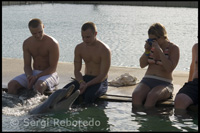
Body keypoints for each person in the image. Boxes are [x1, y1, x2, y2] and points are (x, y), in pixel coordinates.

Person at [132, 23, 180, 108]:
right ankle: (138, 119)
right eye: (150, 40)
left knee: (152, 96)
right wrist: (147, 50)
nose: (152, 42)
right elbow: (142, 65)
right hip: (147, 80)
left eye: (154, 40)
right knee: (136, 95)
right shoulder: (151, 47)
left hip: (164, 82)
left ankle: (150, 120)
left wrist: (159, 51)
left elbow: (169, 68)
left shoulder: (173, 48)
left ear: (162, 37)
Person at [7, 18, 60, 95]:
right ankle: (15, 105)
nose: (38, 35)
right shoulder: (27, 43)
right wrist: (29, 76)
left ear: (43, 27)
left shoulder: (52, 43)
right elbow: (27, 65)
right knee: (11, 85)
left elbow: (53, 68)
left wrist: (36, 77)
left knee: (39, 86)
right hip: (34, 73)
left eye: (40, 32)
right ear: (30, 31)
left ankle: (37, 106)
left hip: (49, 74)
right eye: (34, 33)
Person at [63, 22, 111, 104]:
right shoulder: (79, 48)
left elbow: (103, 75)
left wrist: (86, 85)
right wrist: (81, 82)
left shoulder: (104, 50)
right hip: (85, 79)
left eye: (88, 37)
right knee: (64, 92)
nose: (85, 40)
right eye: (83, 37)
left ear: (95, 34)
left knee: (88, 96)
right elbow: (77, 71)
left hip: (100, 81)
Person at [174, 43, 198, 110]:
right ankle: (182, 119)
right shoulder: (196, 47)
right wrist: (189, 85)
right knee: (180, 99)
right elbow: (193, 67)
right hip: (195, 83)